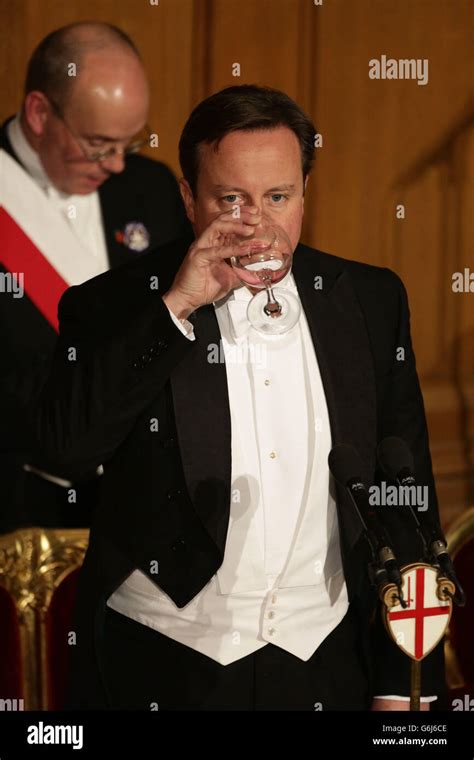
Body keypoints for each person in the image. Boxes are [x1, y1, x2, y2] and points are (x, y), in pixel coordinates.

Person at [34, 85, 445, 710]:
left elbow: (407, 500)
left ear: (305, 190)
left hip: (325, 663)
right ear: (188, 199)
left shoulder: (370, 300)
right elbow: (66, 449)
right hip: (165, 666)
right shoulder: (113, 303)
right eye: (232, 199)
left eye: (279, 196)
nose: (258, 225)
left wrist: (403, 685)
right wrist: (177, 306)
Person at [0, 22, 190, 532]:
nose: (116, 164)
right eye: (99, 143)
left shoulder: (150, 188)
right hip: (21, 510)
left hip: (141, 498)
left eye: (127, 143)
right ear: (40, 113)